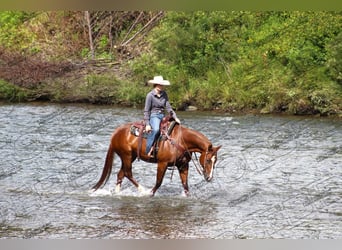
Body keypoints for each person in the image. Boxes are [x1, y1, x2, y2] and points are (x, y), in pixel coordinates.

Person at [144, 75, 181, 157]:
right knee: (156, 129)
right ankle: (148, 150)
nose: (161, 86)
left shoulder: (164, 94)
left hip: (163, 116)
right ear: (156, 85)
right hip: (154, 115)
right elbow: (146, 110)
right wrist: (147, 124)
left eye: (162, 85)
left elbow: (168, 107)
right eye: (160, 85)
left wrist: (175, 117)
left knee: (175, 128)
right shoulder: (150, 95)